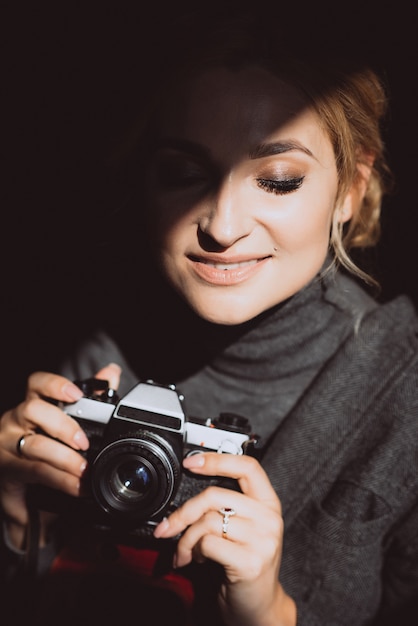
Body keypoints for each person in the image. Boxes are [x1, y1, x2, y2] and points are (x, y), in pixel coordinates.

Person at [1, 9, 417, 626]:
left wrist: (268, 614)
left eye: (277, 181)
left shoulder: (401, 392)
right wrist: (13, 517)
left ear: (351, 191)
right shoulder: (97, 351)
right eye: (183, 173)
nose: (222, 225)